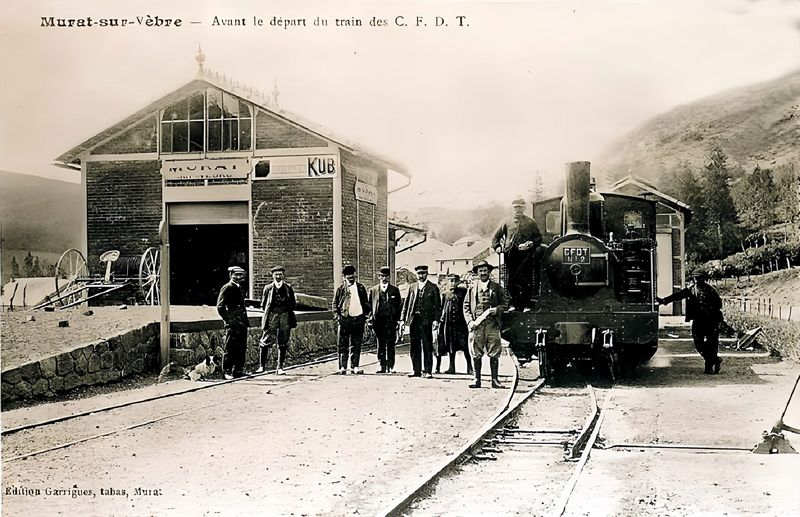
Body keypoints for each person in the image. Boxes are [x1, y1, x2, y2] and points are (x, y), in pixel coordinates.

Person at [656, 270, 724, 374]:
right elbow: (678, 295)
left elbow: (719, 304)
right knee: (698, 343)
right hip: (698, 320)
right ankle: (715, 360)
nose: (697, 280)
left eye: (699, 278)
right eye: (695, 278)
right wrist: (664, 301)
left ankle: (709, 367)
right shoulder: (691, 289)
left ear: (703, 279)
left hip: (711, 321)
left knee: (712, 344)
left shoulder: (711, 290)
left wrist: (711, 312)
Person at [492, 197, 542, 311]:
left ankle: (527, 305)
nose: (518, 210)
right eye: (516, 207)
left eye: (520, 207)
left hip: (526, 256)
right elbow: (495, 238)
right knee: (511, 280)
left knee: (526, 280)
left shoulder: (530, 222)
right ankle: (512, 304)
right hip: (510, 255)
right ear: (512, 208)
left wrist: (531, 243)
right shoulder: (506, 222)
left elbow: (539, 238)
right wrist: (497, 247)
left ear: (524, 208)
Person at [463, 260, 508, 388]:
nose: (483, 273)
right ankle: (476, 379)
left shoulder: (497, 288)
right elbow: (466, 306)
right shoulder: (472, 288)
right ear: (477, 273)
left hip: (492, 325)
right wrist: (469, 321)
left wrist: (497, 309)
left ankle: (495, 380)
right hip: (477, 325)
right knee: (475, 351)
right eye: (480, 271)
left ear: (489, 272)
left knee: (494, 351)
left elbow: (506, 304)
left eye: (485, 270)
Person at [400, 265, 442, 378]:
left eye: (423, 273)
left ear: (426, 274)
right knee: (414, 346)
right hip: (414, 320)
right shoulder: (412, 287)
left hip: (426, 321)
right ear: (416, 275)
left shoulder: (433, 287)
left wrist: (436, 320)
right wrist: (403, 319)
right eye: (419, 273)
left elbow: (438, 306)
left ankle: (428, 371)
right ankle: (416, 370)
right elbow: (406, 304)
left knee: (427, 346)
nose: (421, 275)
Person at [258, 265, 297, 375]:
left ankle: (280, 367)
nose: (278, 276)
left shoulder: (288, 288)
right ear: (272, 276)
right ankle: (262, 366)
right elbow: (263, 304)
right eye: (276, 274)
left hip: (285, 316)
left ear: (283, 275)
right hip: (272, 317)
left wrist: (286, 312)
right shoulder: (268, 288)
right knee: (265, 340)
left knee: (283, 342)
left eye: (280, 274)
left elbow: (293, 303)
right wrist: (270, 314)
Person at [333, 264, 371, 374]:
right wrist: (338, 317)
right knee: (342, 344)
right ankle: (343, 367)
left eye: (352, 276)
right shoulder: (341, 289)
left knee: (356, 344)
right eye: (348, 277)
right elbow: (335, 304)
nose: (351, 279)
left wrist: (366, 316)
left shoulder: (361, 288)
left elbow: (366, 303)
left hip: (358, 319)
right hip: (345, 320)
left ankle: (355, 366)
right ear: (344, 277)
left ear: (355, 276)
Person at [216, 265, 250, 379]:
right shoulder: (227, 287)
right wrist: (229, 320)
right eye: (236, 275)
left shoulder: (240, 287)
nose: (239, 277)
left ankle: (238, 370)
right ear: (231, 275)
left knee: (241, 347)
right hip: (233, 323)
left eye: (240, 275)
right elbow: (220, 306)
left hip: (242, 322)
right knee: (230, 347)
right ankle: (227, 371)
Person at [367, 266, 403, 374]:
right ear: (379, 277)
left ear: (389, 277)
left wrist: (398, 320)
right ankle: (382, 365)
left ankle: (391, 366)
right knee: (380, 344)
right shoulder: (373, 290)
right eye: (382, 276)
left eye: (386, 276)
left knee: (391, 344)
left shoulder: (394, 290)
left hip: (391, 321)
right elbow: (369, 306)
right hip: (378, 321)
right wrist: (370, 319)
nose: (384, 278)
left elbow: (399, 306)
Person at [437, 274, 472, 375]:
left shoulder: (463, 292)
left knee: (465, 346)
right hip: (449, 324)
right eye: (450, 281)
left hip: (461, 324)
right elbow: (442, 308)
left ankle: (470, 367)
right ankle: (451, 367)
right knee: (451, 346)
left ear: (458, 282)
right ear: (447, 282)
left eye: (454, 281)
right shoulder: (445, 294)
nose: (452, 283)